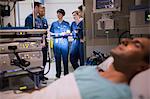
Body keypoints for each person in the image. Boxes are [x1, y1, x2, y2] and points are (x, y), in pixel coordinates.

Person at [3, 37, 149, 99]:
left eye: (136, 45)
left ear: (143, 66)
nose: (125, 40)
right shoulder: (88, 70)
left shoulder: (116, 94)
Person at [50, 9, 70, 78]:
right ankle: (58, 73)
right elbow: (51, 33)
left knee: (65, 59)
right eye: (57, 13)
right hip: (56, 43)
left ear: (63, 15)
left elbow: (68, 33)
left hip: (64, 43)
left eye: (60, 14)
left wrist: (59, 34)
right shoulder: (54, 24)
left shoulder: (66, 24)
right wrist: (60, 34)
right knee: (57, 59)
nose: (58, 15)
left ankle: (66, 73)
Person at [38, 5, 49, 81]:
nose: (43, 12)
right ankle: (38, 76)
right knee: (39, 60)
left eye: (44, 11)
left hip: (45, 43)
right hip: (39, 43)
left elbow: (45, 31)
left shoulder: (45, 20)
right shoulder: (36, 20)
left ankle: (42, 75)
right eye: (42, 11)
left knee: (44, 60)